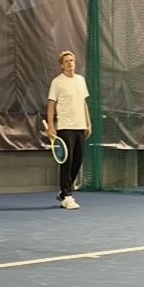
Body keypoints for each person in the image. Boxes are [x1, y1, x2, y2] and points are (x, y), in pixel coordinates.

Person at [46, 50, 90, 209]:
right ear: (62, 66)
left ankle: (64, 192)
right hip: (65, 127)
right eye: (66, 61)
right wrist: (51, 126)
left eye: (72, 60)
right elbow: (51, 104)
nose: (70, 63)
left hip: (80, 126)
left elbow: (83, 103)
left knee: (78, 160)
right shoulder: (57, 82)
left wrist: (88, 123)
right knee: (67, 161)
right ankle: (68, 196)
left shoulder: (81, 80)